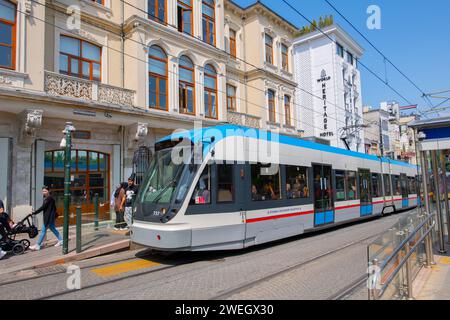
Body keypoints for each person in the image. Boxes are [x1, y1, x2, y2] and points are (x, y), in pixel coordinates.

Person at [30, 186, 63, 251]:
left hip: (49, 218)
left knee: (43, 231)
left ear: (48, 191)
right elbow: (54, 208)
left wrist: (35, 212)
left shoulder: (49, 198)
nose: (44, 192)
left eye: (45, 191)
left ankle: (37, 245)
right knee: (53, 229)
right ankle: (61, 240)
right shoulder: (49, 198)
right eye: (43, 191)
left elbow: (43, 207)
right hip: (50, 217)